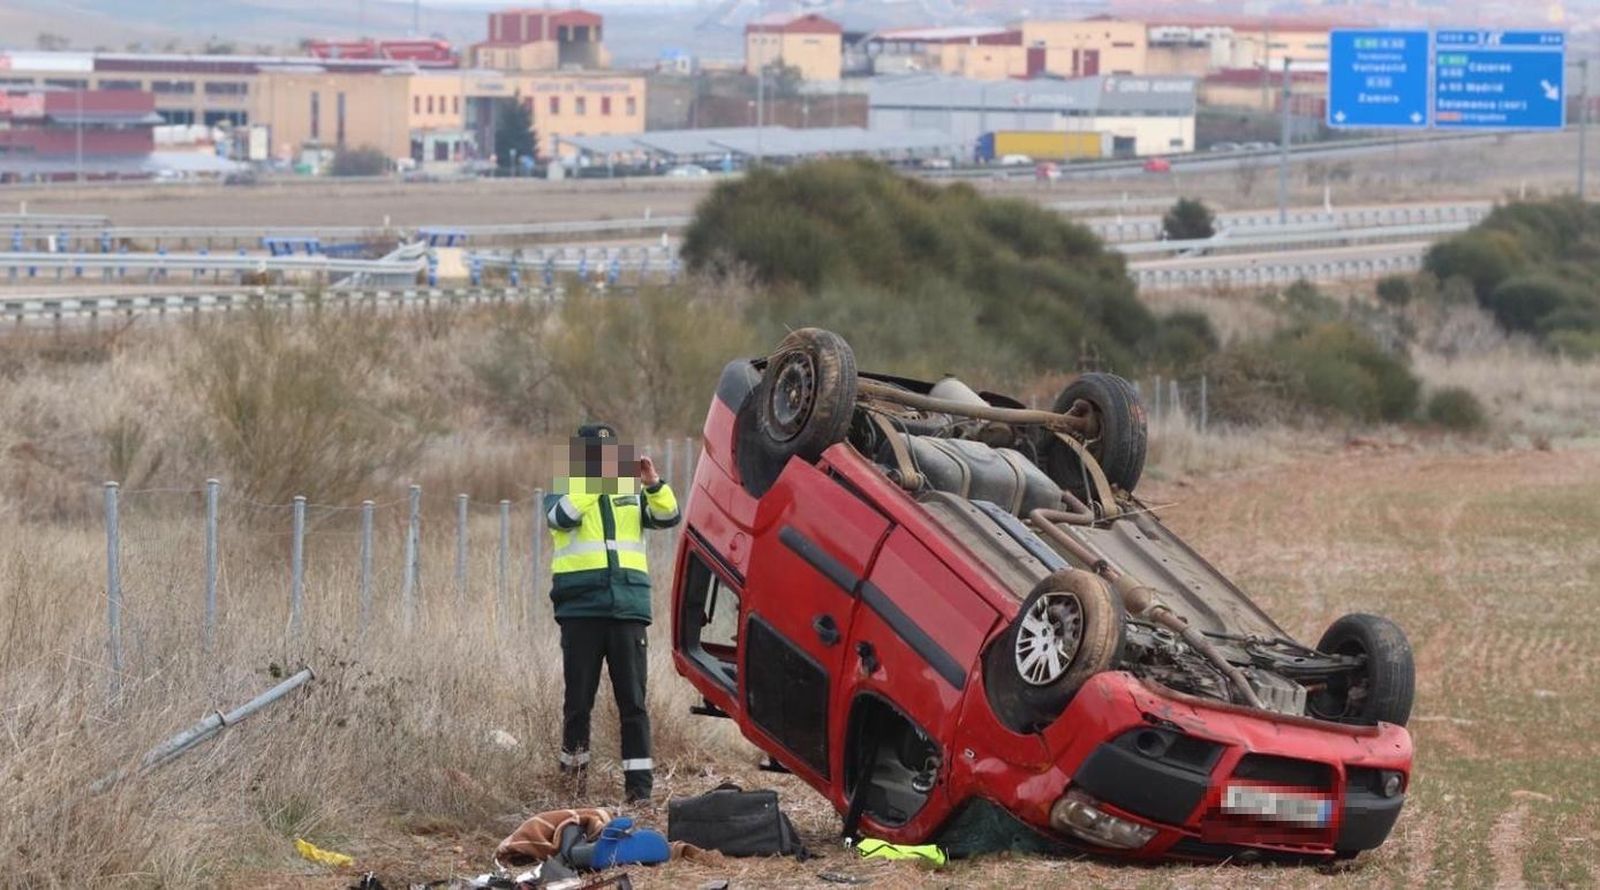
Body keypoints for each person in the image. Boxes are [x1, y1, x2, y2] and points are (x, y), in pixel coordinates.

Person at [544, 423, 680, 804]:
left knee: (633, 705)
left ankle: (639, 793)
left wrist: (653, 483)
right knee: (577, 704)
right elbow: (562, 518)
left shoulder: (629, 493)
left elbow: (669, 516)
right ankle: (572, 789)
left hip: (627, 609)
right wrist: (595, 483)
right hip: (581, 610)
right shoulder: (564, 491)